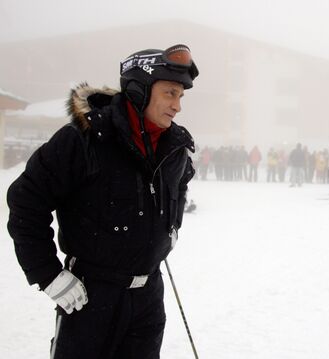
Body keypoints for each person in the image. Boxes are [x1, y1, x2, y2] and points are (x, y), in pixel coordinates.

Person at [7, 44, 199, 358]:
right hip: (90, 298)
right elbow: (26, 201)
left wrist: (170, 227)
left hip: (149, 297)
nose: (177, 105)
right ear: (139, 90)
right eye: (170, 93)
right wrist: (48, 274)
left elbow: (180, 186)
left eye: (180, 96)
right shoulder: (84, 139)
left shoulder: (174, 147)